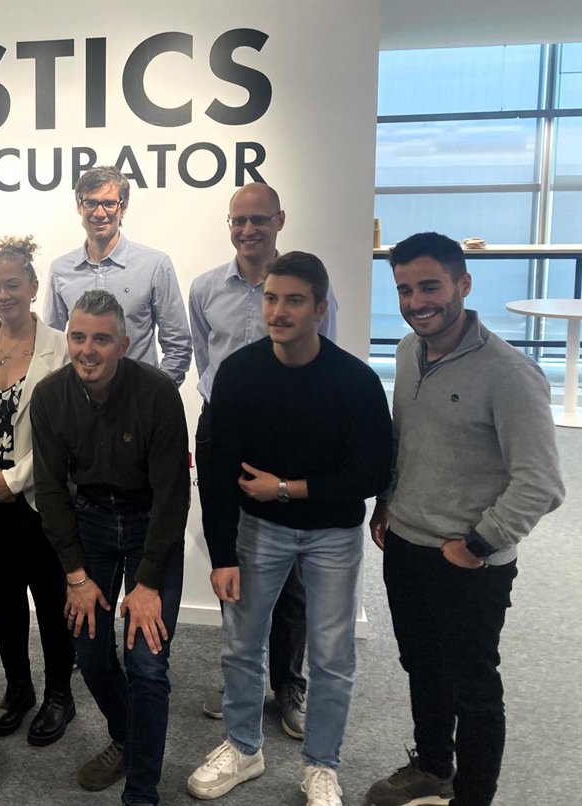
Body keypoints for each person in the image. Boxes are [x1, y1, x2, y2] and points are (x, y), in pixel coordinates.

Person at [365, 232, 564, 806]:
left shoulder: (510, 373)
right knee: (421, 666)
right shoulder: (409, 349)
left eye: (430, 286)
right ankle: (432, 766)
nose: (416, 302)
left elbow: (543, 483)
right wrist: (388, 502)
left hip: (469, 561)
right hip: (406, 544)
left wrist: (479, 543)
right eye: (404, 290)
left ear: (463, 284)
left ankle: (473, 797)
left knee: (472, 685)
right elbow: (406, 440)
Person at [188, 252, 392, 806]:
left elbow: (372, 473)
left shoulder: (355, 380)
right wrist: (222, 555)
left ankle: (322, 766)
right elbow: (217, 469)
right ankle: (243, 747)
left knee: (332, 656)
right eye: (271, 298)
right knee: (241, 644)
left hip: (333, 534)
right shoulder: (239, 373)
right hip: (258, 529)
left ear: (321, 308)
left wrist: (287, 488)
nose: (278, 311)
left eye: (294, 301)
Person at [189, 182, 340, 738]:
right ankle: (241, 678)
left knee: (294, 568)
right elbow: (205, 358)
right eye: (239, 220)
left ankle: (289, 683)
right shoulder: (205, 288)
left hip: (289, 436)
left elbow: (326, 362)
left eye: (259, 219)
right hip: (223, 433)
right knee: (230, 557)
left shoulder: (308, 290)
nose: (248, 230)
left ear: (280, 220)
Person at [32, 290, 189, 806]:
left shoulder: (159, 393)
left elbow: (173, 496)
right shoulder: (50, 396)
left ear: (124, 344)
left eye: (101, 339)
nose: (87, 350)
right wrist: (75, 577)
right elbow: (50, 491)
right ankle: (127, 737)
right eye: (78, 337)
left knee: (147, 662)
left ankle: (141, 793)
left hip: (150, 525)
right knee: (90, 651)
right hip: (92, 522)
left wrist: (148, 584)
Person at [0, 236, 75, 745]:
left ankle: (59, 694)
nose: (2, 295)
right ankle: (19, 687)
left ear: (33, 286)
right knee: (4, 598)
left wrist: (15, 478)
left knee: (51, 599)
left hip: (40, 496)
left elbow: (64, 431)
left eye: (11, 285)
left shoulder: (60, 346)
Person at [44, 166, 191, 385]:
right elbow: (52, 347)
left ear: (123, 207)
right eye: (90, 203)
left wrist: (156, 396)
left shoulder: (154, 265)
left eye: (109, 203)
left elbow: (178, 345)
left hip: (139, 398)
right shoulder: (60, 270)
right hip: (79, 401)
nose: (99, 213)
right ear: (79, 206)